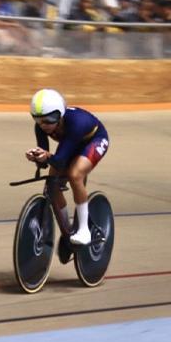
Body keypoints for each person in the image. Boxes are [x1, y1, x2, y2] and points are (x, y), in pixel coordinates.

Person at [25, 89, 109, 252]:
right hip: (71, 144)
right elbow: (47, 161)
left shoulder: (75, 123)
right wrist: (37, 157)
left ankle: (84, 230)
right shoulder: (41, 127)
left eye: (50, 119)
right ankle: (68, 231)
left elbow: (60, 160)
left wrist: (47, 157)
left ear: (60, 115)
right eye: (38, 119)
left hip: (94, 140)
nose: (44, 125)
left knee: (74, 174)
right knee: (52, 184)